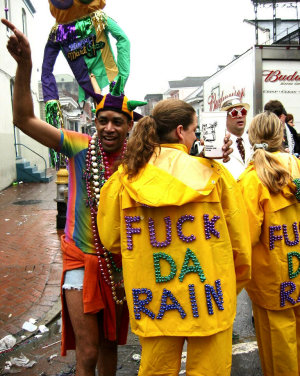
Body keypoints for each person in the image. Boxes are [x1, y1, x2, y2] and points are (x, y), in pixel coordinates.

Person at [2, 18, 137, 376]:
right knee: (88, 351)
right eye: (103, 120)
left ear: (129, 125)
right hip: (79, 259)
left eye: (117, 122)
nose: (109, 127)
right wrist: (25, 66)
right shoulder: (80, 147)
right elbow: (23, 118)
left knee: (110, 346)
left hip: (120, 264)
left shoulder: (140, 159)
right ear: (95, 122)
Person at [97, 99, 251, 376]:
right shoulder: (214, 175)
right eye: (194, 131)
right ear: (181, 132)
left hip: (153, 300)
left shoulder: (125, 179)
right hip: (209, 299)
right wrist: (232, 285)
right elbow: (240, 244)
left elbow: (112, 239)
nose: (196, 138)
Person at [238, 111, 300, 376]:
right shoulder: (296, 168)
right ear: (281, 135)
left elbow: (246, 237)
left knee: (278, 347)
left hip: (272, 281)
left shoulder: (252, 180)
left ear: (251, 138)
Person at [217, 96, 252, 179]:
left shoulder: (253, 140)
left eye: (243, 112)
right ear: (224, 117)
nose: (240, 116)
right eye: (234, 113)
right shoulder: (219, 144)